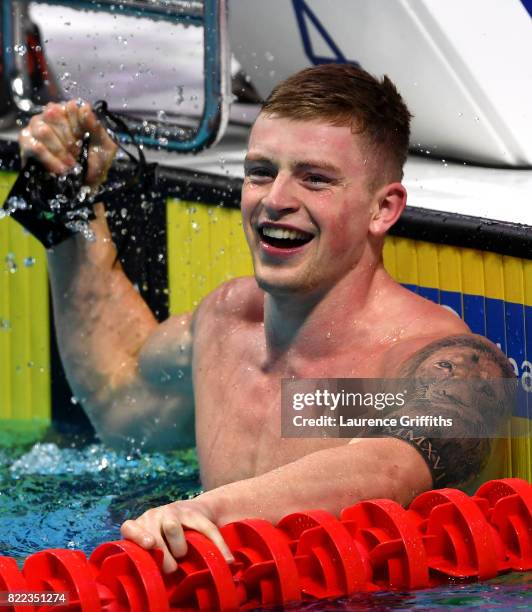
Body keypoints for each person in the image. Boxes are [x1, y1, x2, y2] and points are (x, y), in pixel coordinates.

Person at [18, 64, 514, 573]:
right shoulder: (228, 323)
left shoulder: (440, 358)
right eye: (260, 172)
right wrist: (72, 205)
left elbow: (392, 463)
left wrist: (208, 510)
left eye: (314, 179)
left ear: (382, 209)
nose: (275, 200)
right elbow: (118, 401)